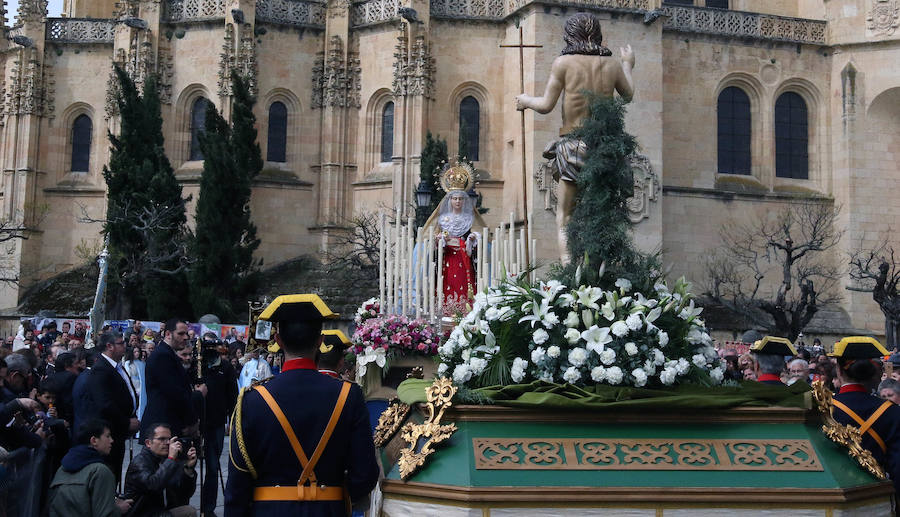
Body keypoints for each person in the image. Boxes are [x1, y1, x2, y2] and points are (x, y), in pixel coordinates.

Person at [226, 294, 379, 515]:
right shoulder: (348, 395)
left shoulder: (252, 399)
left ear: (278, 340)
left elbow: (238, 483)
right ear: (319, 341)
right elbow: (364, 475)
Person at [516, 12, 635, 263]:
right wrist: (628, 64)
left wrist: (525, 100)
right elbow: (628, 95)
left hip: (574, 146)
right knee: (604, 213)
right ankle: (604, 267)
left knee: (565, 216)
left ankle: (569, 270)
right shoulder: (612, 64)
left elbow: (546, 105)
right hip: (606, 148)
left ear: (569, 35)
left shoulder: (563, 63)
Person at [829, 336, 900, 498]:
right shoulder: (893, 412)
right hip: (877, 497)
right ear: (874, 374)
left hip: (833, 495)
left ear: (839, 371)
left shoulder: (824, 408)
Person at [421, 164, 488, 310]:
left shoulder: (469, 218)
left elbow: (480, 233)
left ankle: (465, 309)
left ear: (464, 201)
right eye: (455, 198)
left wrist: (473, 238)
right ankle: (446, 309)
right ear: (449, 200)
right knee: (447, 282)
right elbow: (431, 237)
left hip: (464, 257)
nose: (457, 201)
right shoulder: (442, 218)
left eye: (460, 199)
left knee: (464, 282)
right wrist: (439, 240)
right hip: (447, 258)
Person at [75, 331, 139, 482]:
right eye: (121, 343)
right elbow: (104, 404)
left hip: (118, 432)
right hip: (109, 430)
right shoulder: (101, 369)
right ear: (109, 346)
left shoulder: (117, 367)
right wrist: (126, 422)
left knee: (115, 473)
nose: (125, 346)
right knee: (109, 474)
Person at [47, 419, 133, 516]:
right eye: (107, 436)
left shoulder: (62, 469)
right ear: (94, 440)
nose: (112, 440)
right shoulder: (100, 471)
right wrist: (118, 509)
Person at [197, 332, 238, 516]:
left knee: (213, 468)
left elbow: (233, 398)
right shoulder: (196, 365)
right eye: (207, 347)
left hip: (216, 424)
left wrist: (233, 421)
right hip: (195, 424)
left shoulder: (226, 367)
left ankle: (209, 508)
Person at [123, 422, 198, 517]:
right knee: (188, 511)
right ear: (148, 443)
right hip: (143, 514)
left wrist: (188, 469)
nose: (167, 443)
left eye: (169, 439)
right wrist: (171, 459)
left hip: (162, 511)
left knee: (188, 511)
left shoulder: (169, 460)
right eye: (162, 439)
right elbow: (153, 485)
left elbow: (184, 495)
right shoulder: (140, 462)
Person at [142, 319, 198, 440]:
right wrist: (192, 421)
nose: (185, 337)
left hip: (168, 424)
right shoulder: (163, 355)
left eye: (186, 334)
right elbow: (175, 393)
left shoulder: (168, 354)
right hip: (163, 427)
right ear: (168, 334)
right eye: (181, 333)